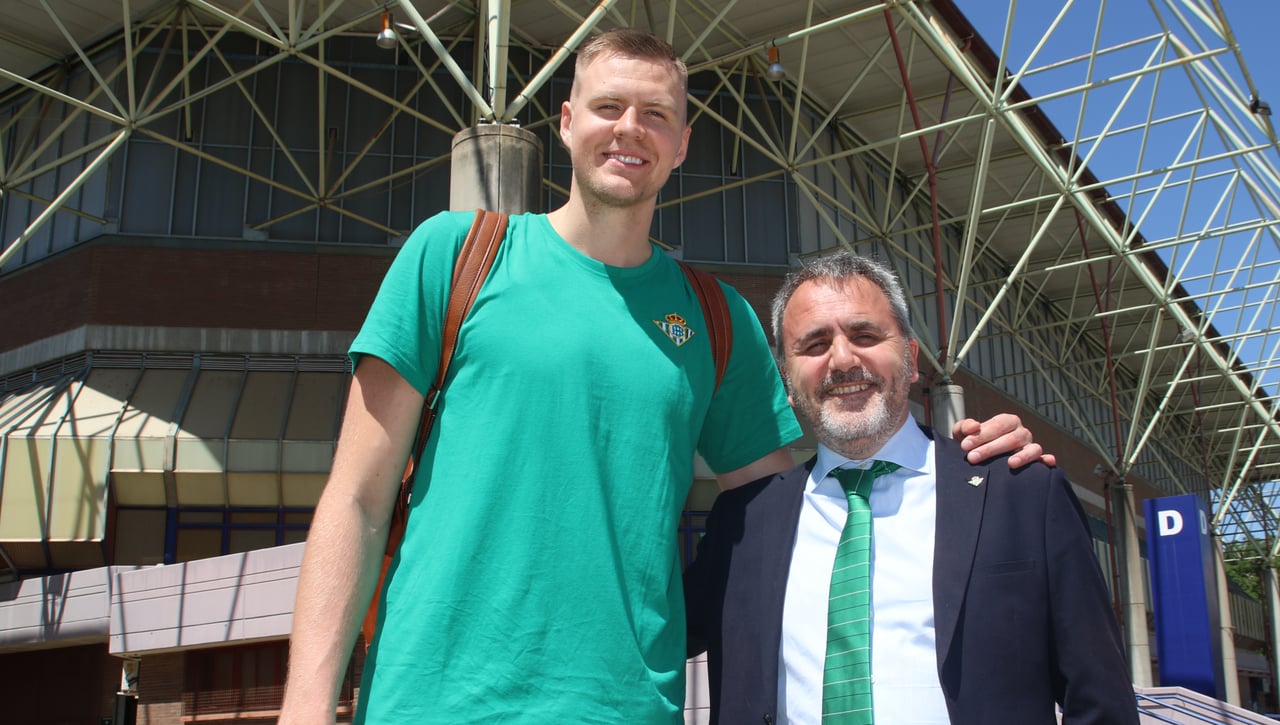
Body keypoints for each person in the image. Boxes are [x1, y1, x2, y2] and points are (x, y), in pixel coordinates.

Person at [280, 29, 1048, 724]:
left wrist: (952, 474)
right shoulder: (456, 256)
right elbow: (356, 498)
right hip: (433, 701)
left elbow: (793, 517)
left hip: (625, 708)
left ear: (682, 143)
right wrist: (305, 708)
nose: (629, 128)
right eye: (608, 105)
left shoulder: (716, 321)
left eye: (655, 113)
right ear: (566, 120)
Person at [683, 252, 1138, 724]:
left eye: (865, 336)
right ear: (789, 382)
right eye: (814, 345)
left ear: (912, 358)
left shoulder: (1020, 492)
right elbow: (646, 631)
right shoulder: (742, 522)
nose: (842, 359)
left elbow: (1101, 701)